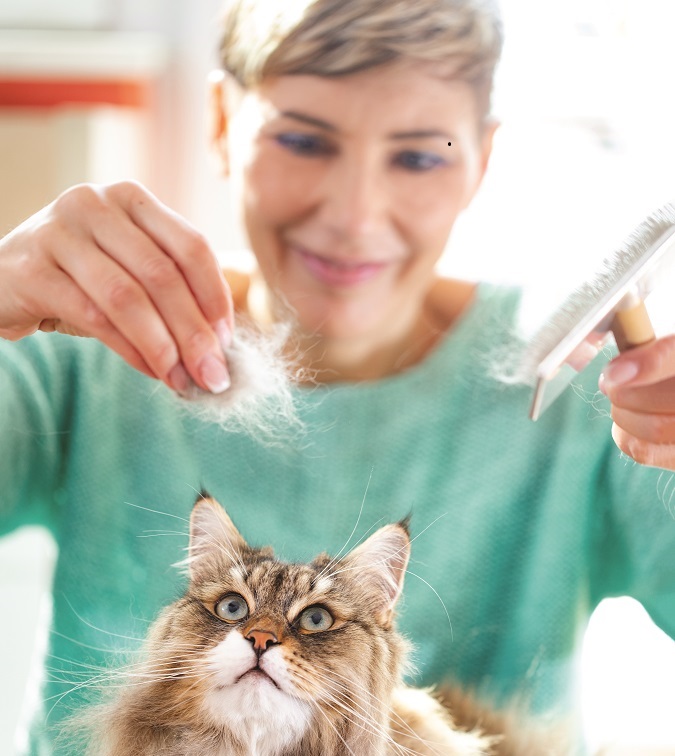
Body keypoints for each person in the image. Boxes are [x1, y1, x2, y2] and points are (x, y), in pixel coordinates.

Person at [1, 1, 675, 753]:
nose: (355, 215)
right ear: (223, 123)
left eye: (420, 155)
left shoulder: (592, 382)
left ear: (481, 159)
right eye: (301, 140)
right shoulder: (85, 343)